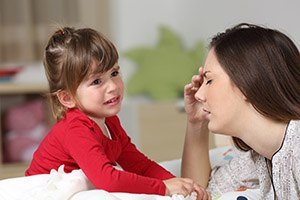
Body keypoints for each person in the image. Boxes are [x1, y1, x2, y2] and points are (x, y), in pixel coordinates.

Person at [25, 27, 210, 199]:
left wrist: (182, 186)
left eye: (114, 73)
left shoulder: (110, 122)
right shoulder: (75, 129)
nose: (113, 87)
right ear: (67, 98)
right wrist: (164, 187)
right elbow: (108, 180)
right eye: (97, 82)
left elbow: (139, 165)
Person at [181, 23, 300, 199]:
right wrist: (196, 122)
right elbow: (197, 192)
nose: (198, 94)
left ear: (246, 83)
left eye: (209, 81)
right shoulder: (261, 157)